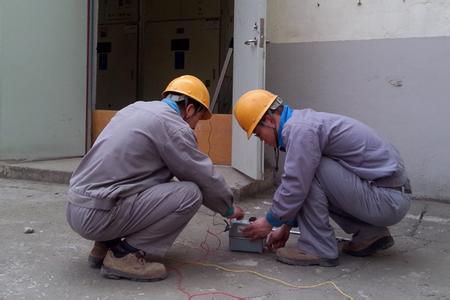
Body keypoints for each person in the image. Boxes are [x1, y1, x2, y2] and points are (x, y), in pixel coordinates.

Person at [66, 75, 244, 281]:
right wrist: (228, 208)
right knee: (190, 194)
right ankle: (124, 254)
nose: (194, 127)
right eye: (197, 120)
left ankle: (103, 245)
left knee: (148, 182)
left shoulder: (134, 109)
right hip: (98, 214)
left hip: (76, 206)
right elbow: (200, 173)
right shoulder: (173, 125)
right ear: (190, 109)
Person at [233, 89, 411, 267]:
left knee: (310, 172)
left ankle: (317, 248)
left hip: (387, 200)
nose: (262, 140)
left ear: (270, 120)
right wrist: (286, 225)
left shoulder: (300, 130)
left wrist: (268, 221)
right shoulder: (302, 124)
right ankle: (370, 234)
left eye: (258, 133)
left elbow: (296, 184)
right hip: (389, 197)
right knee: (310, 172)